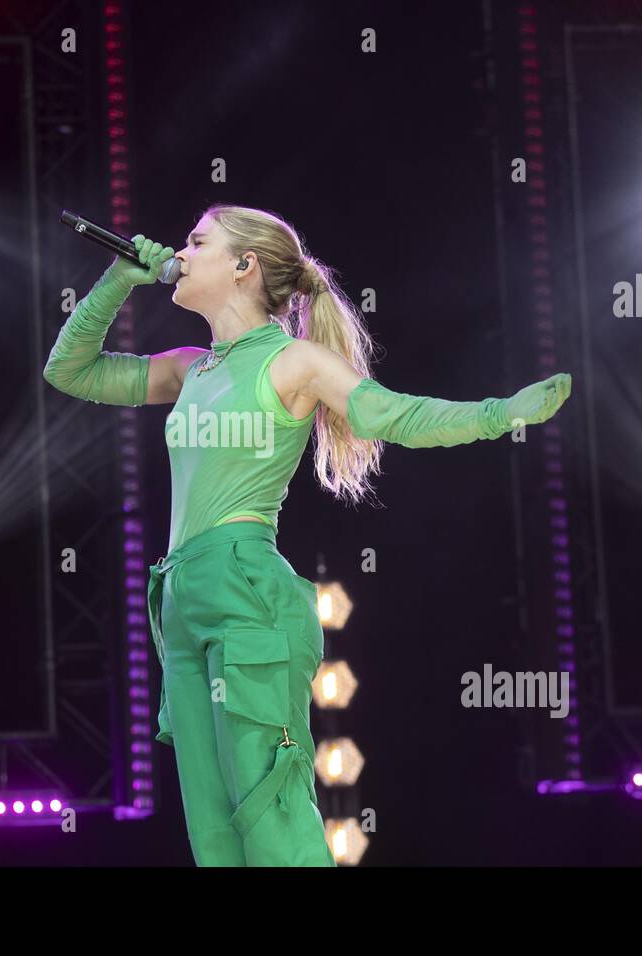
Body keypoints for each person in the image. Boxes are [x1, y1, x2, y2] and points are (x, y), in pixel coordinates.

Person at [43, 204, 571, 866]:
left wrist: (499, 414)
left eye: (196, 241)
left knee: (271, 815)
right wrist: (119, 278)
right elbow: (70, 371)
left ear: (245, 265)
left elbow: (392, 414)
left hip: (244, 590)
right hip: (179, 600)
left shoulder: (292, 362)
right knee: (216, 837)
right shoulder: (190, 367)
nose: (181, 250)